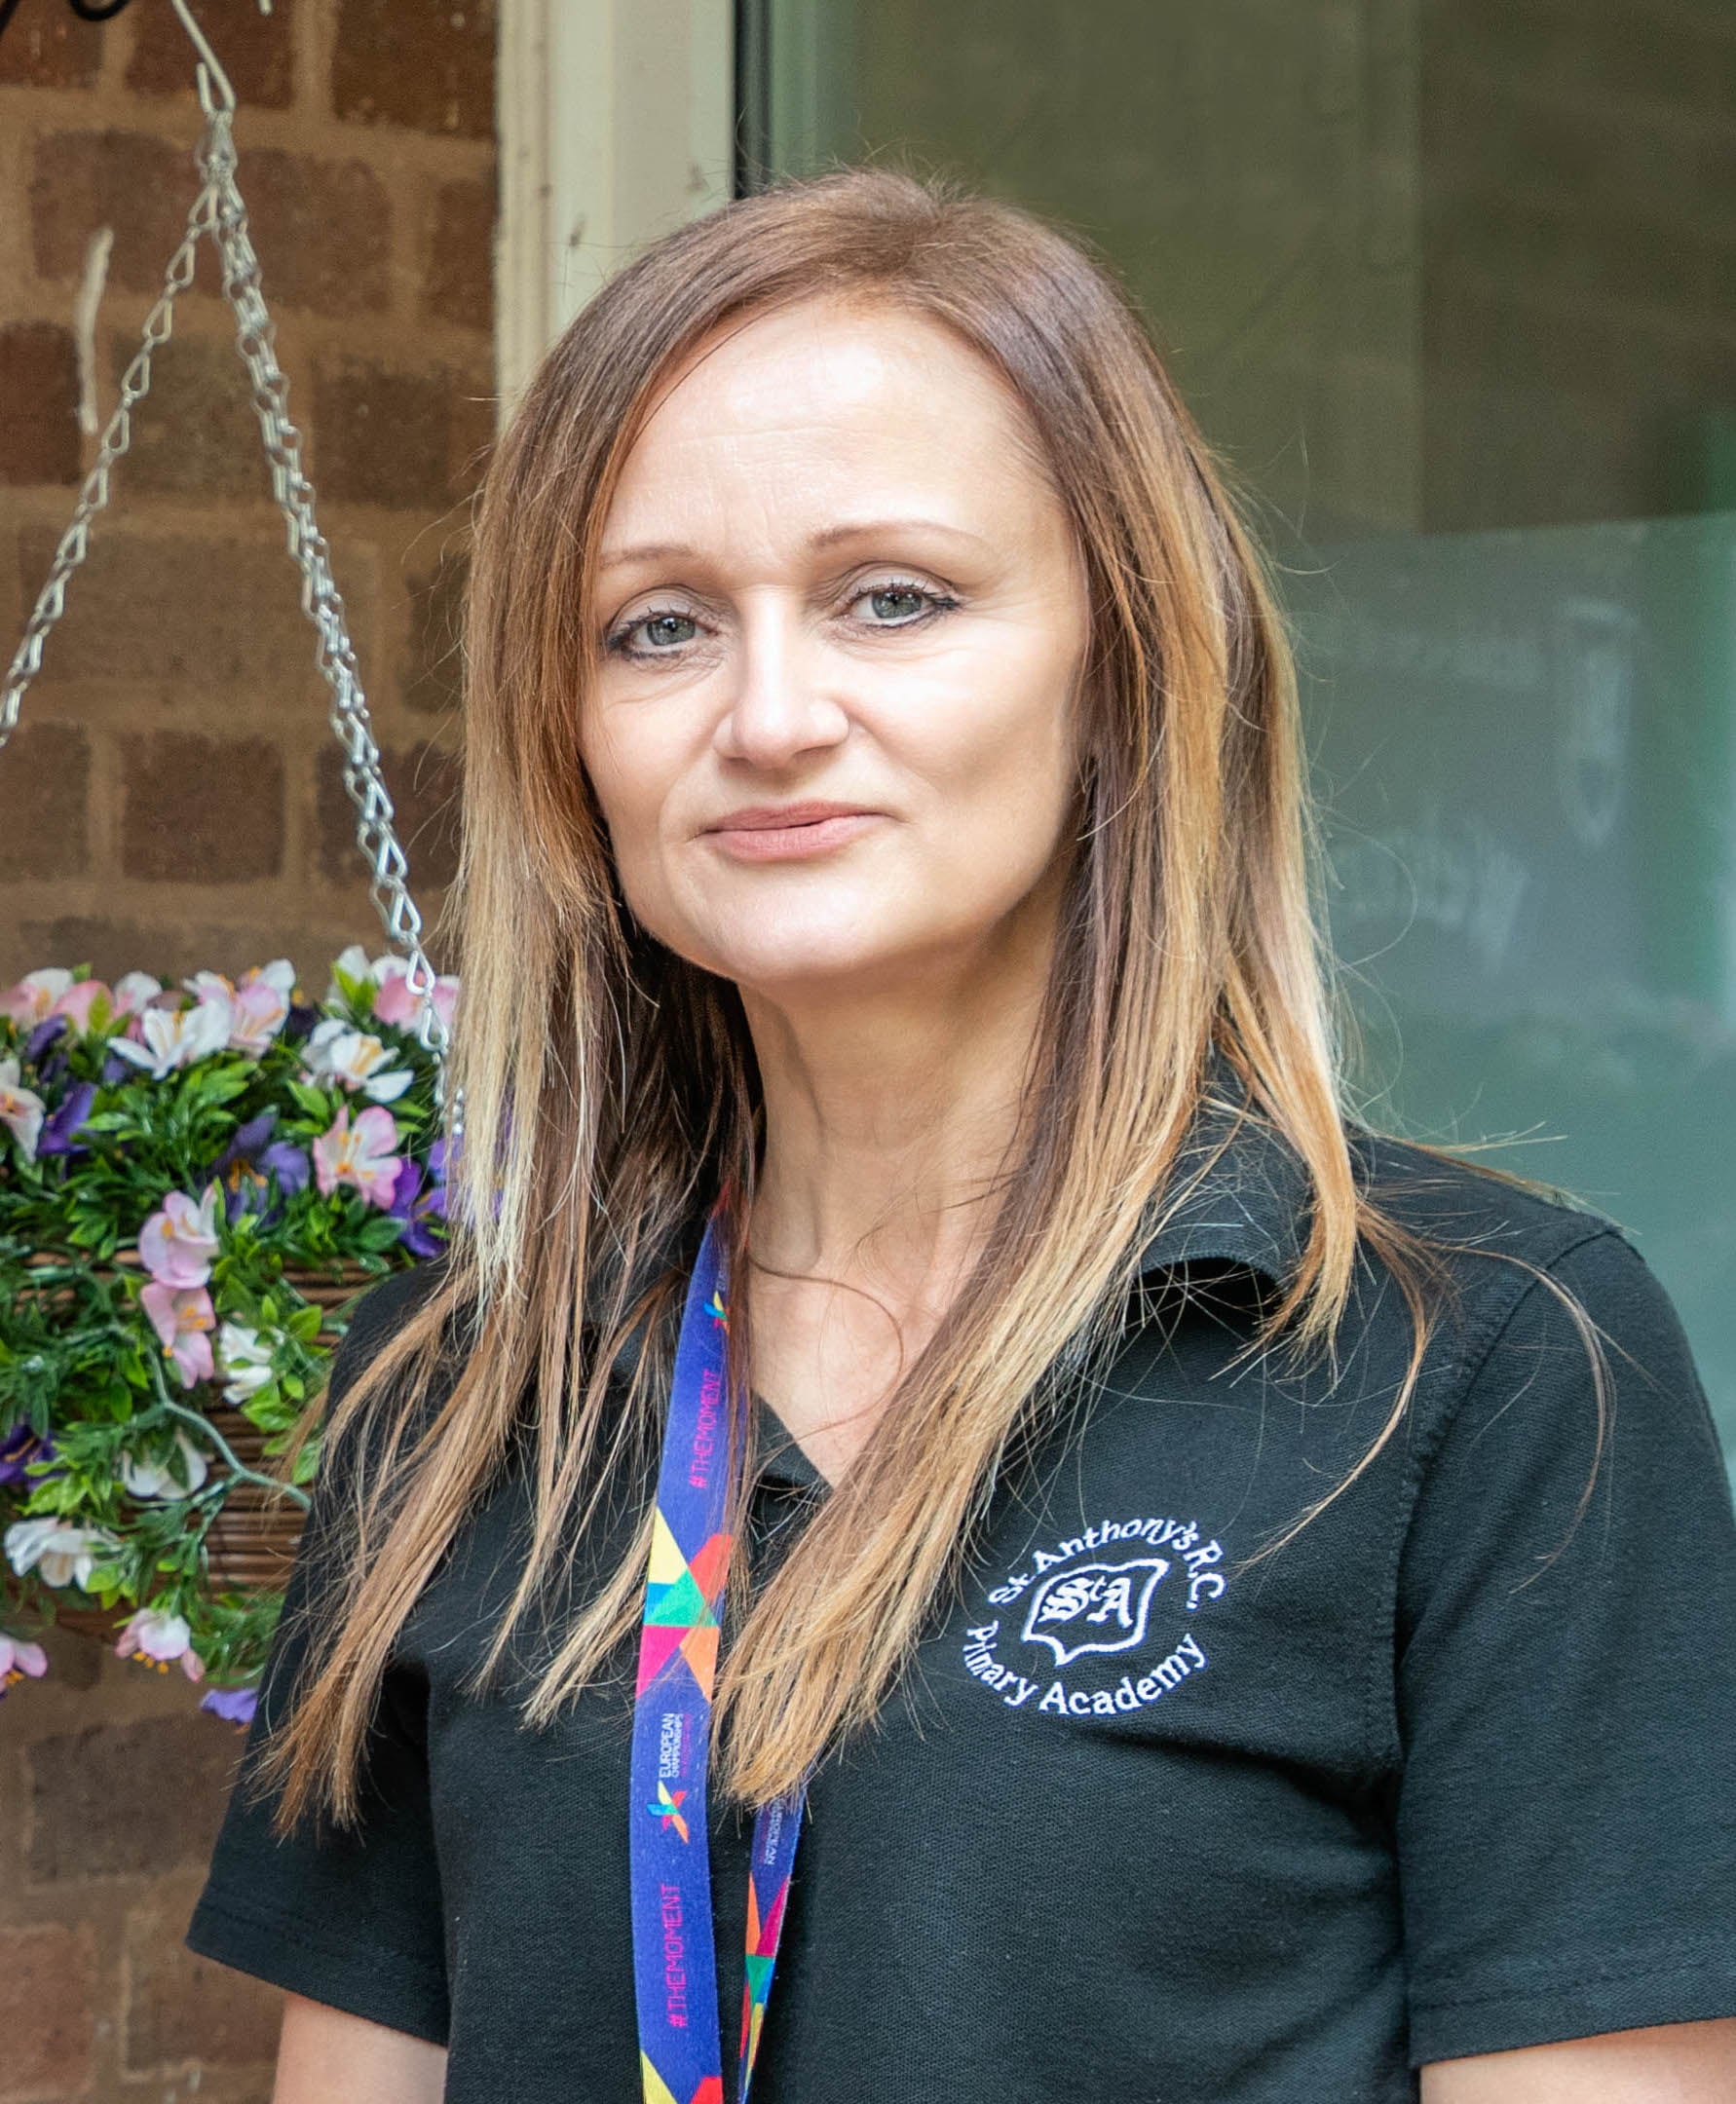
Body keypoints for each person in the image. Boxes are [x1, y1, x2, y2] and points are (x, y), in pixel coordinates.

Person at [183, 166, 1736, 2104]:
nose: (768, 715)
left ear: (1125, 664)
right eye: (658, 627)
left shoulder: (1480, 1365)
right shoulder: (466, 1388)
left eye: (892, 598)